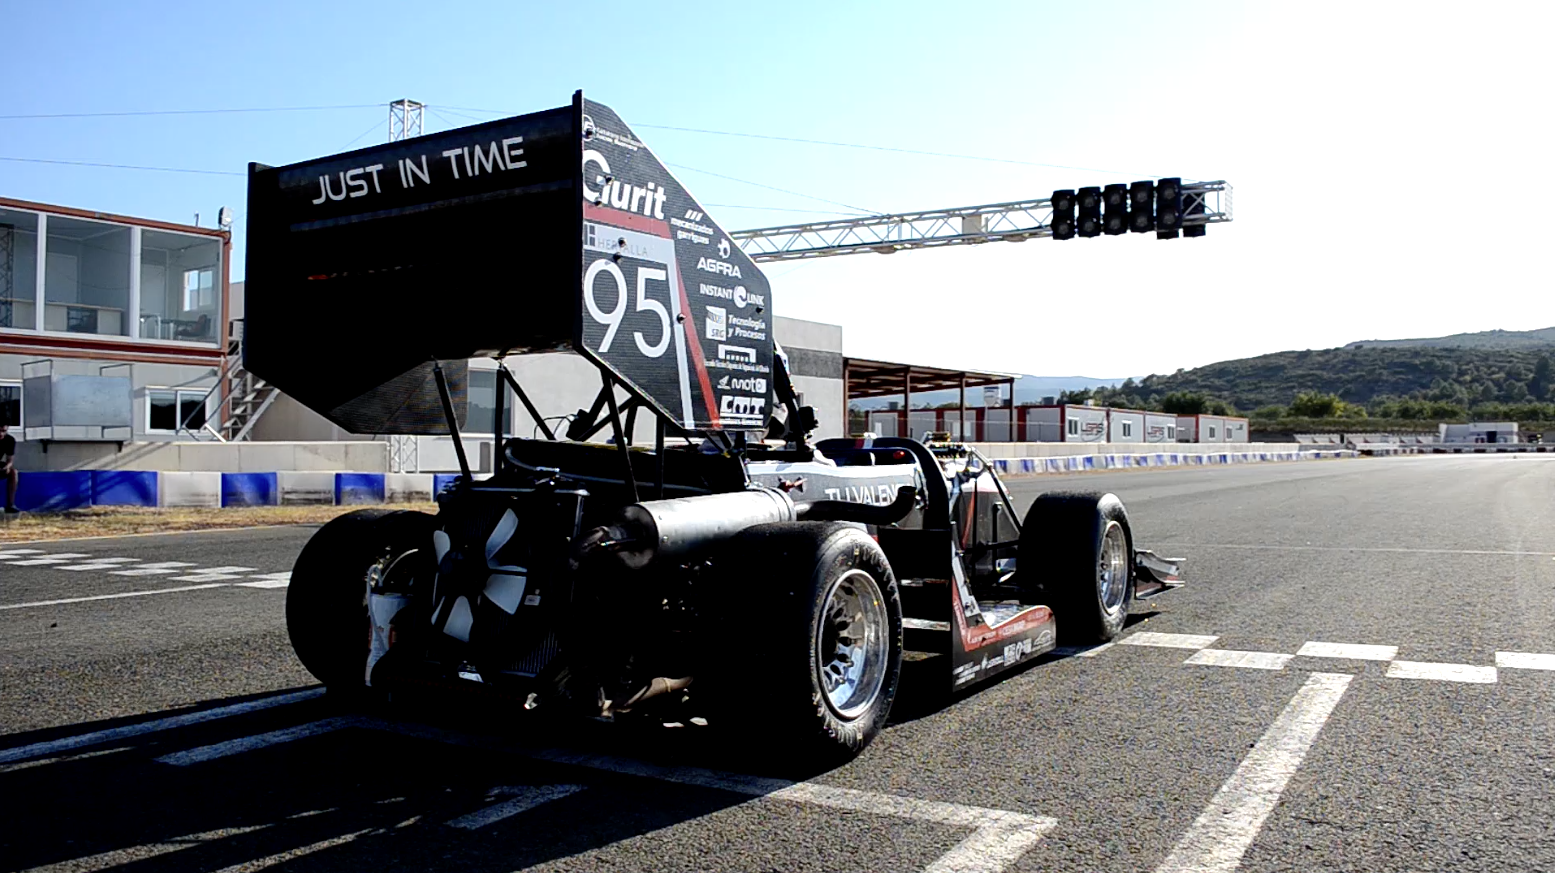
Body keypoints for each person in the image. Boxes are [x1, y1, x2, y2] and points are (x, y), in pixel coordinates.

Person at [0, 422, 17, 513]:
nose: (1, 434)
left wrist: (6, 467)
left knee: (13, 472)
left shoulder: (9, 440)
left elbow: (10, 460)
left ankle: (10, 505)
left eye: (3, 431)